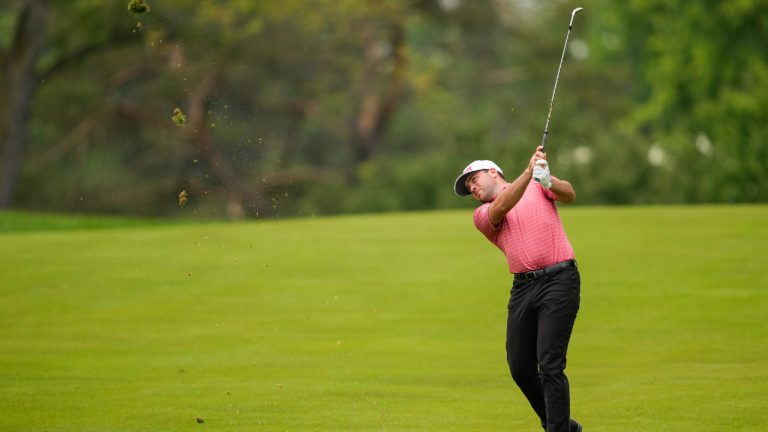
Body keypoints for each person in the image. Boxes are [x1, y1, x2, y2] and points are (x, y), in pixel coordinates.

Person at [453, 146, 582, 432]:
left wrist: (549, 181)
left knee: (550, 363)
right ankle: (563, 425)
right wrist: (528, 173)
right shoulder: (482, 214)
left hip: (560, 280)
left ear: (492, 172)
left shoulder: (537, 183)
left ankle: (557, 429)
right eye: (467, 186)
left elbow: (569, 194)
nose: (471, 187)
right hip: (523, 288)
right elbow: (503, 207)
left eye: (473, 179)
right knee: (520, 368)